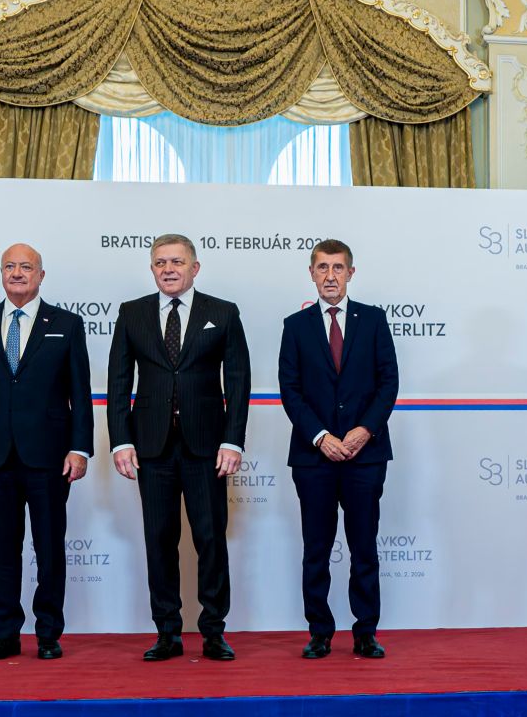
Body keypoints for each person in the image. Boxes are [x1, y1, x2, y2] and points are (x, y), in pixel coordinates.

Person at [108, 233, 251, 662]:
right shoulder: (131, 313)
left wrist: (232, 440)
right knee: (159, 539)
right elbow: (118, 383)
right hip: (151, 447)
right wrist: (121, 440)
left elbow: (239, 382)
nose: (168, 269)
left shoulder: (222, 313)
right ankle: (167, 631)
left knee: (210, 540)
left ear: (195, 267)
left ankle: (212, 631)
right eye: (160, 262)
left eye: (177, 261)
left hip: (207, 447)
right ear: (152, 268)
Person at [0, 243, 93, 661]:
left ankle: (48, 634)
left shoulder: (66, 324)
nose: (17, 273)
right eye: (10, 266)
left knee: (49, 548)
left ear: (41, 275)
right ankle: (6, 633)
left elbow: (80, 394)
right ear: (1, 274)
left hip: (49, 456)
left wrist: (80, 448)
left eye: (26, 266)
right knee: (2, 548)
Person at [278, 239, 398, 659]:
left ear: (351, 273)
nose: (330, 275)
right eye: (323, 267)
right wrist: (321, 437)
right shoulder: (295, 325)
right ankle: (320, 632)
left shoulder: (375, 320)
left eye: (338, 268)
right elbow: (289, 391)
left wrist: (364, 431)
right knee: (317, 548)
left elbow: (389, 384)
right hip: (314, 458)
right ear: (312, 273)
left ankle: (365, 631)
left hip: (366, 455)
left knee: (364, 546)